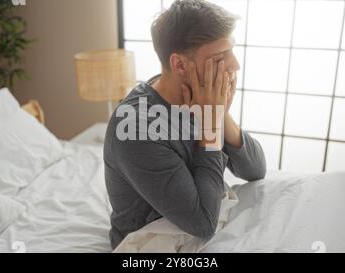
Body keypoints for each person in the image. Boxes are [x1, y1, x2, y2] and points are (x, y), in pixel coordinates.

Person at [104, 0, 266, 250]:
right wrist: (211, 123)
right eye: (220, 57)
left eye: (231, 51)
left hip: (200, 218)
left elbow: (256, 170)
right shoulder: (135, 129)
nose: (235, 65)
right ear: (180, 64)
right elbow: (203, 223)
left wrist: (220, 114)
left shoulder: (200, 97)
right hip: (149, 242)